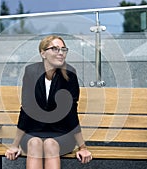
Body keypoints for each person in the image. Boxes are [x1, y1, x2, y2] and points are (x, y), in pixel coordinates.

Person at [5, 35, 92, 169]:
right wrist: (14, 145)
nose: (61, 53)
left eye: (63, 49)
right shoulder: (31, 72)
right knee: (35, 143)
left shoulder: (70, 74)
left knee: (50, 144)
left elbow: (71, 112)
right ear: (43, 53)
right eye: (55, 49)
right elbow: (26, 109)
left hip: (62, 133)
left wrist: (82, 147)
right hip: (33, 132)